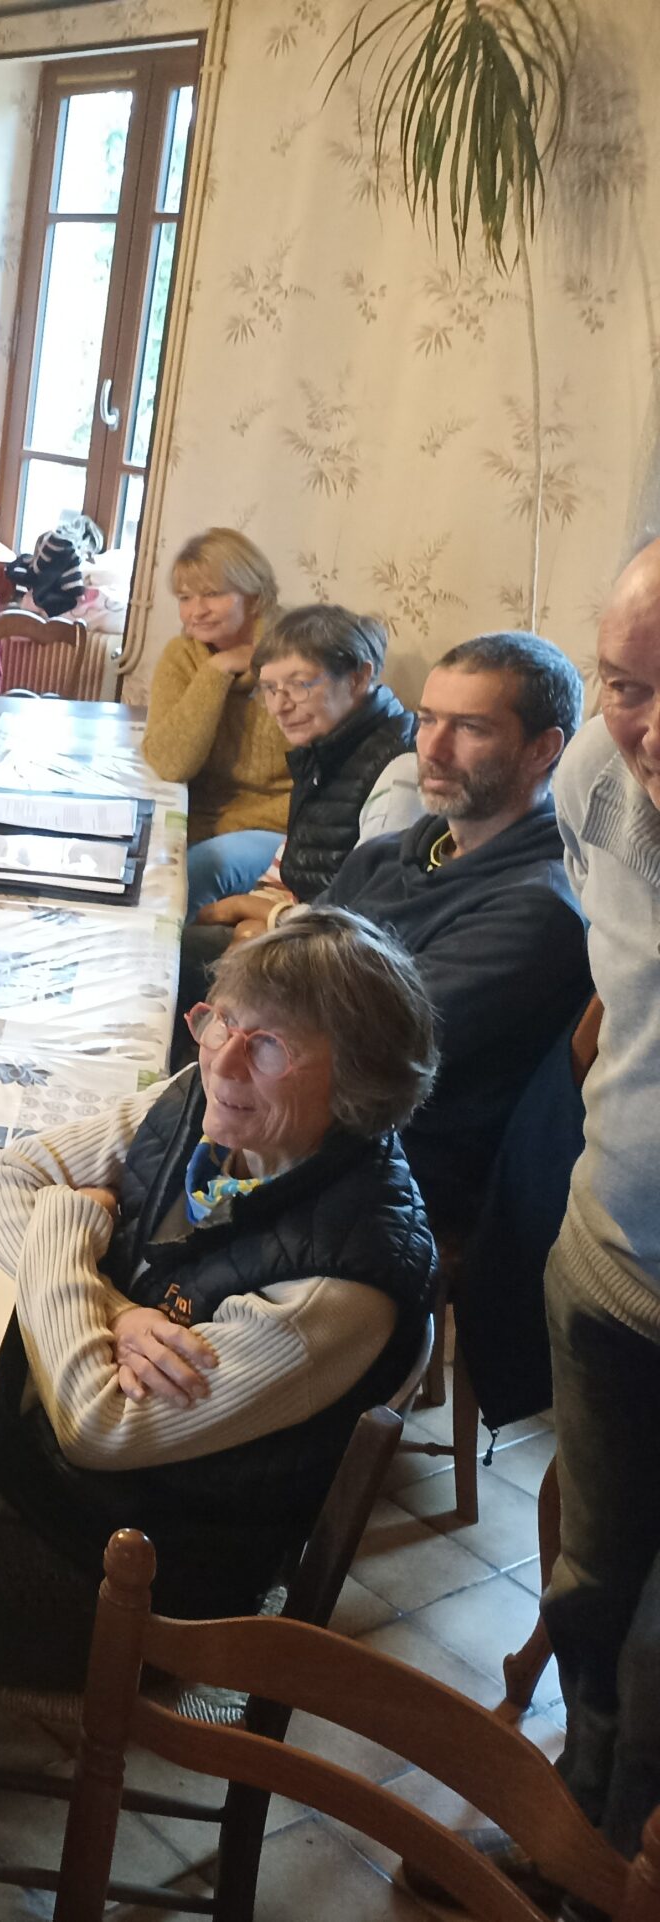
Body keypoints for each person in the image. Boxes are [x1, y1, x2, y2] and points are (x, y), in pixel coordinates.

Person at [0, 908, 438, 1690]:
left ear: (359, 1080)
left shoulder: (336, 1285)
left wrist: (67, 1223)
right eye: (222, 1020)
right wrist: (120, 1314)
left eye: (270, 1045)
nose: (224, 1061)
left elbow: (97, 1426)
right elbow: (2, 1178)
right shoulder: (205, 1104)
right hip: (53, 1478)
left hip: (145, 1579)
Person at [303, 634, 585, 1233]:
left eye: (470, 728)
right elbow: (282, 971)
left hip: (388, 1168)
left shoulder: (539, 908)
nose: (431, 748)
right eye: (427, 719)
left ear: (542, 749)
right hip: (293, 1105)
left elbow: (359, 1041)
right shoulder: (386, 855)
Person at [539, 535, 660, 1867]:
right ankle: (575, 1838)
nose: (649, 731)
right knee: (589, 1583)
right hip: (608, 1259)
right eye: (626, 684)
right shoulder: (590, 774)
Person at [182, 604, 416, 993]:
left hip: (329, 961)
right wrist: (256, 915)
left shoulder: (397, 770)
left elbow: (366, 923)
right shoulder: (328, 744)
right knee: (159, 946)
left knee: (163, 963)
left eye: (300, 684)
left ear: (358, 678)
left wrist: (262, 915)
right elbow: (301, 850)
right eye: (270, 689)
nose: (279, 706)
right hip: (299, 922)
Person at [142, 529, 293, 910]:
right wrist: (217, 671)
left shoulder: (295, 655)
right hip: (198, 820)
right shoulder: (182, 656)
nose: (196, 611)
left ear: (254, 596)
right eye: (185, 598)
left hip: (277, 827)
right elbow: (170, 763)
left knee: (198, 870)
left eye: (212, 594)